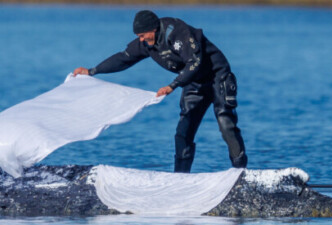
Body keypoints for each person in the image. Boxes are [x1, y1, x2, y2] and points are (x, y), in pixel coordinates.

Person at [73, 10, 247, 173]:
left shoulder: (178, 32)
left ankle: (240, 173)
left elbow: (195, 62)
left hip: (217, 76)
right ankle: (180, 178)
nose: (140, 40)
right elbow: (123, 59)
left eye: (142, 35)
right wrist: (92, 71)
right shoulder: (147, 43)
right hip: (193, 82)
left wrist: (173, 85)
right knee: (183, 132)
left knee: (225, 122)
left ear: (153, 29)